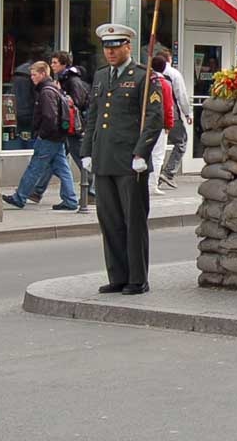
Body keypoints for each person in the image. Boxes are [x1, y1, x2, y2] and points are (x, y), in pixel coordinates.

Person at [80, 24, 165, 296]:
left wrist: (142, 152)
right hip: (105, 158)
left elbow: (154, 118)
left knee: (133, 222)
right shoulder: (102, 76)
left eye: (116, 47)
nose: (110, 52)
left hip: (131, 162)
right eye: (107, 47)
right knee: (110, 221)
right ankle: (117, 276)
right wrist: (86, 151)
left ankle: (138, 279)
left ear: (128, 46)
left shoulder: (144, 76)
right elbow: (93, 115)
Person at [2, 62, 78, 211]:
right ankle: (70, 200)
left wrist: (42, 135)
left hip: (49, 138)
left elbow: (50, 117)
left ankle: (20, 197)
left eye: (34, 74)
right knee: (62, 168)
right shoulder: (53, 89)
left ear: (43, 74)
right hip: (57, 137)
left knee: (35, 167)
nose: (32, 78)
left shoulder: (46, 92)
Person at [28, 51, 92, 204]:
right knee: (54, 160)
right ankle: (37, 191)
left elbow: (77, 102)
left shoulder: (72, 80)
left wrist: (61, 94)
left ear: (64, 64)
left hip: (72, 128)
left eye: (56, 62)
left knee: (80, 158)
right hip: (63, 127)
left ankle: (93, 190)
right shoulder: (62, 79)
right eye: (52, 62)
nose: (52, 65)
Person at [158, 47, 192, 189]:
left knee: (155, 147)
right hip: (172, 115)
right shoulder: (173, 74)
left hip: (153, 116)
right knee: (181, 142)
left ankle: (155, 176)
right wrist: (188, 113)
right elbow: (181, 95)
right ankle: (168, 172)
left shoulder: (149, 74)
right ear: (169, 60)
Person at [146, 55, 176, 197]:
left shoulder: (145, 80)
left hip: (143, 123)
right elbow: (168, 106)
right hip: (159, 124)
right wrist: (169, 124)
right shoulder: (165, 83)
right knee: (157, 156)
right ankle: (152, 185)